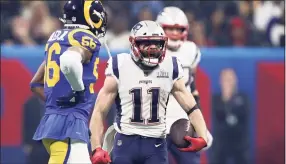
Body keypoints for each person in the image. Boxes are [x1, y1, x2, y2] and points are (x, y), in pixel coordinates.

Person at [89, 20, 208, 164]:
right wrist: (96, 147)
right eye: (147, 43)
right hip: (126, 141)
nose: (153, 48)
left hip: (156, 144)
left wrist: (203, 136)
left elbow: (191, 107)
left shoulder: (170, 66)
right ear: (133, 44)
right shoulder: (120, 65)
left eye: (157, 43)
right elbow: (99, 111)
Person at [29, 0, 107, 163]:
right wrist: (78, 91)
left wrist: (57, 105)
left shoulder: (56, 38)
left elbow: (36, 83)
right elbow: (69, 60)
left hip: (52, 125)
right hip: (69, 126)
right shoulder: (84, 37)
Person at [156, 6, 213, 164]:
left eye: (178, 29)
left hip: (183, 119)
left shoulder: (190, 50)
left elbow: (192, 87)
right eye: (170, 28)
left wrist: (200, 125)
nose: (174, 33)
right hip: (156, 121)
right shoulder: (150, 49)